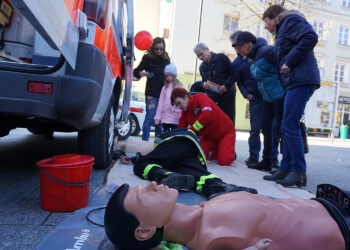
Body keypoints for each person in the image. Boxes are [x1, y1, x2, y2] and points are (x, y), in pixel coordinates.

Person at [104, 182, 349, 250]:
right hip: (340, 231)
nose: (153, 184)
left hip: (325, 204)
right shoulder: (214, 239)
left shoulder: (207, 207)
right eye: (142, 195)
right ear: (144, 230)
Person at [262, 5, 320, 187]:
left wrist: (289, 61)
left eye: (266, 21)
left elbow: (311, 37)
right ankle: (286, 168)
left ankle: (298, 172)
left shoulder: (290, 20)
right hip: (295, 79)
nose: (265, 27)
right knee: (287, 124)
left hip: (301, 78)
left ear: (273, 16)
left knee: (289, 124)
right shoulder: (284, 28)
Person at [119, 128, 257, 199]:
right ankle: (222, 188)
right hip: (193, 154)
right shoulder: (188, 136)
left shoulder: (167, 137)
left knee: (142, 165)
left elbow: (153, 155)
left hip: (180, 144)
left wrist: (134, 159)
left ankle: (165, 176)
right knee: (196, 175)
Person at [232, 31, 284, 172]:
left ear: (248, 44)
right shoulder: (251, 57)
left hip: (277, 95)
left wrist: (285, 87)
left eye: (239, 47)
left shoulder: (266, 51)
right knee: (265, 128)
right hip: (264, 97)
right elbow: (241, 80)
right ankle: (265, 161)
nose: (238, 51)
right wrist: (246, 93)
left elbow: (283, 65)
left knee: (280, 129)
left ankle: (283, 164)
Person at [171, 88, 236, 166]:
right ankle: (220, 149)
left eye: (179, 103)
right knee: (196, 156)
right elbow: (181, 132)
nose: (179, 107)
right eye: (176, 105)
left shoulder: (201, 98)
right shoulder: (184, 113)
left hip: (225, 132)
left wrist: (191, 130)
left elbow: (206, 115)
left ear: (185, 97)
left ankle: (230, 152)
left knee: (224, 161)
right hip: (209, 137)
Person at [230, 30, 263, 168]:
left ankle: (272, 159)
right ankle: (254, 156)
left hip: (268, 94)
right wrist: (245, 93)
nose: (237, 47)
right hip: (254, 97)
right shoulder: (236, 63)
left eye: (238, 43)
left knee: (271, 129)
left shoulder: (258, 51)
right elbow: (239, 81)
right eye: (234, 45)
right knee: (255, 129)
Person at [133, 37, 170, 141]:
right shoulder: (147, 58)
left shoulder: (166, 58)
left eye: (161, 49)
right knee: (150, 117)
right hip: (151, 93)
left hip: (163, 94)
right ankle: (145, 141)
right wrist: (142, 73)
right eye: (157, 49)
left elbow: (170, 73)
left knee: (160, 120)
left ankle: (158, 143)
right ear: (153, 48)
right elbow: (136, 71)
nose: (159, 51)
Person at [194, 43, 236, 124]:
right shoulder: (202, 67)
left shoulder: (222, 58)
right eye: (198, 56)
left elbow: (233, 74)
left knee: (228, 123)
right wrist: (204, 85)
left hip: (227, 97)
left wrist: (226, 86)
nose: (201, 57)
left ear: (207, 49)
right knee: (215, 125)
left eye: (201, 54)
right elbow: (204, 80)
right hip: (213, 99)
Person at [154, 64, 184, 133]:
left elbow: (183, 101)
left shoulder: (180, 86)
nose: (168, 78)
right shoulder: (164, 88)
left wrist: (182, 115)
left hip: (176, 116)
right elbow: (160, 103)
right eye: (167, 76)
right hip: (165, 116)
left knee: (174, 135)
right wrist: (158, 117)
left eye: (170, 75)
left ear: (174, 75)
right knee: (165, 135)